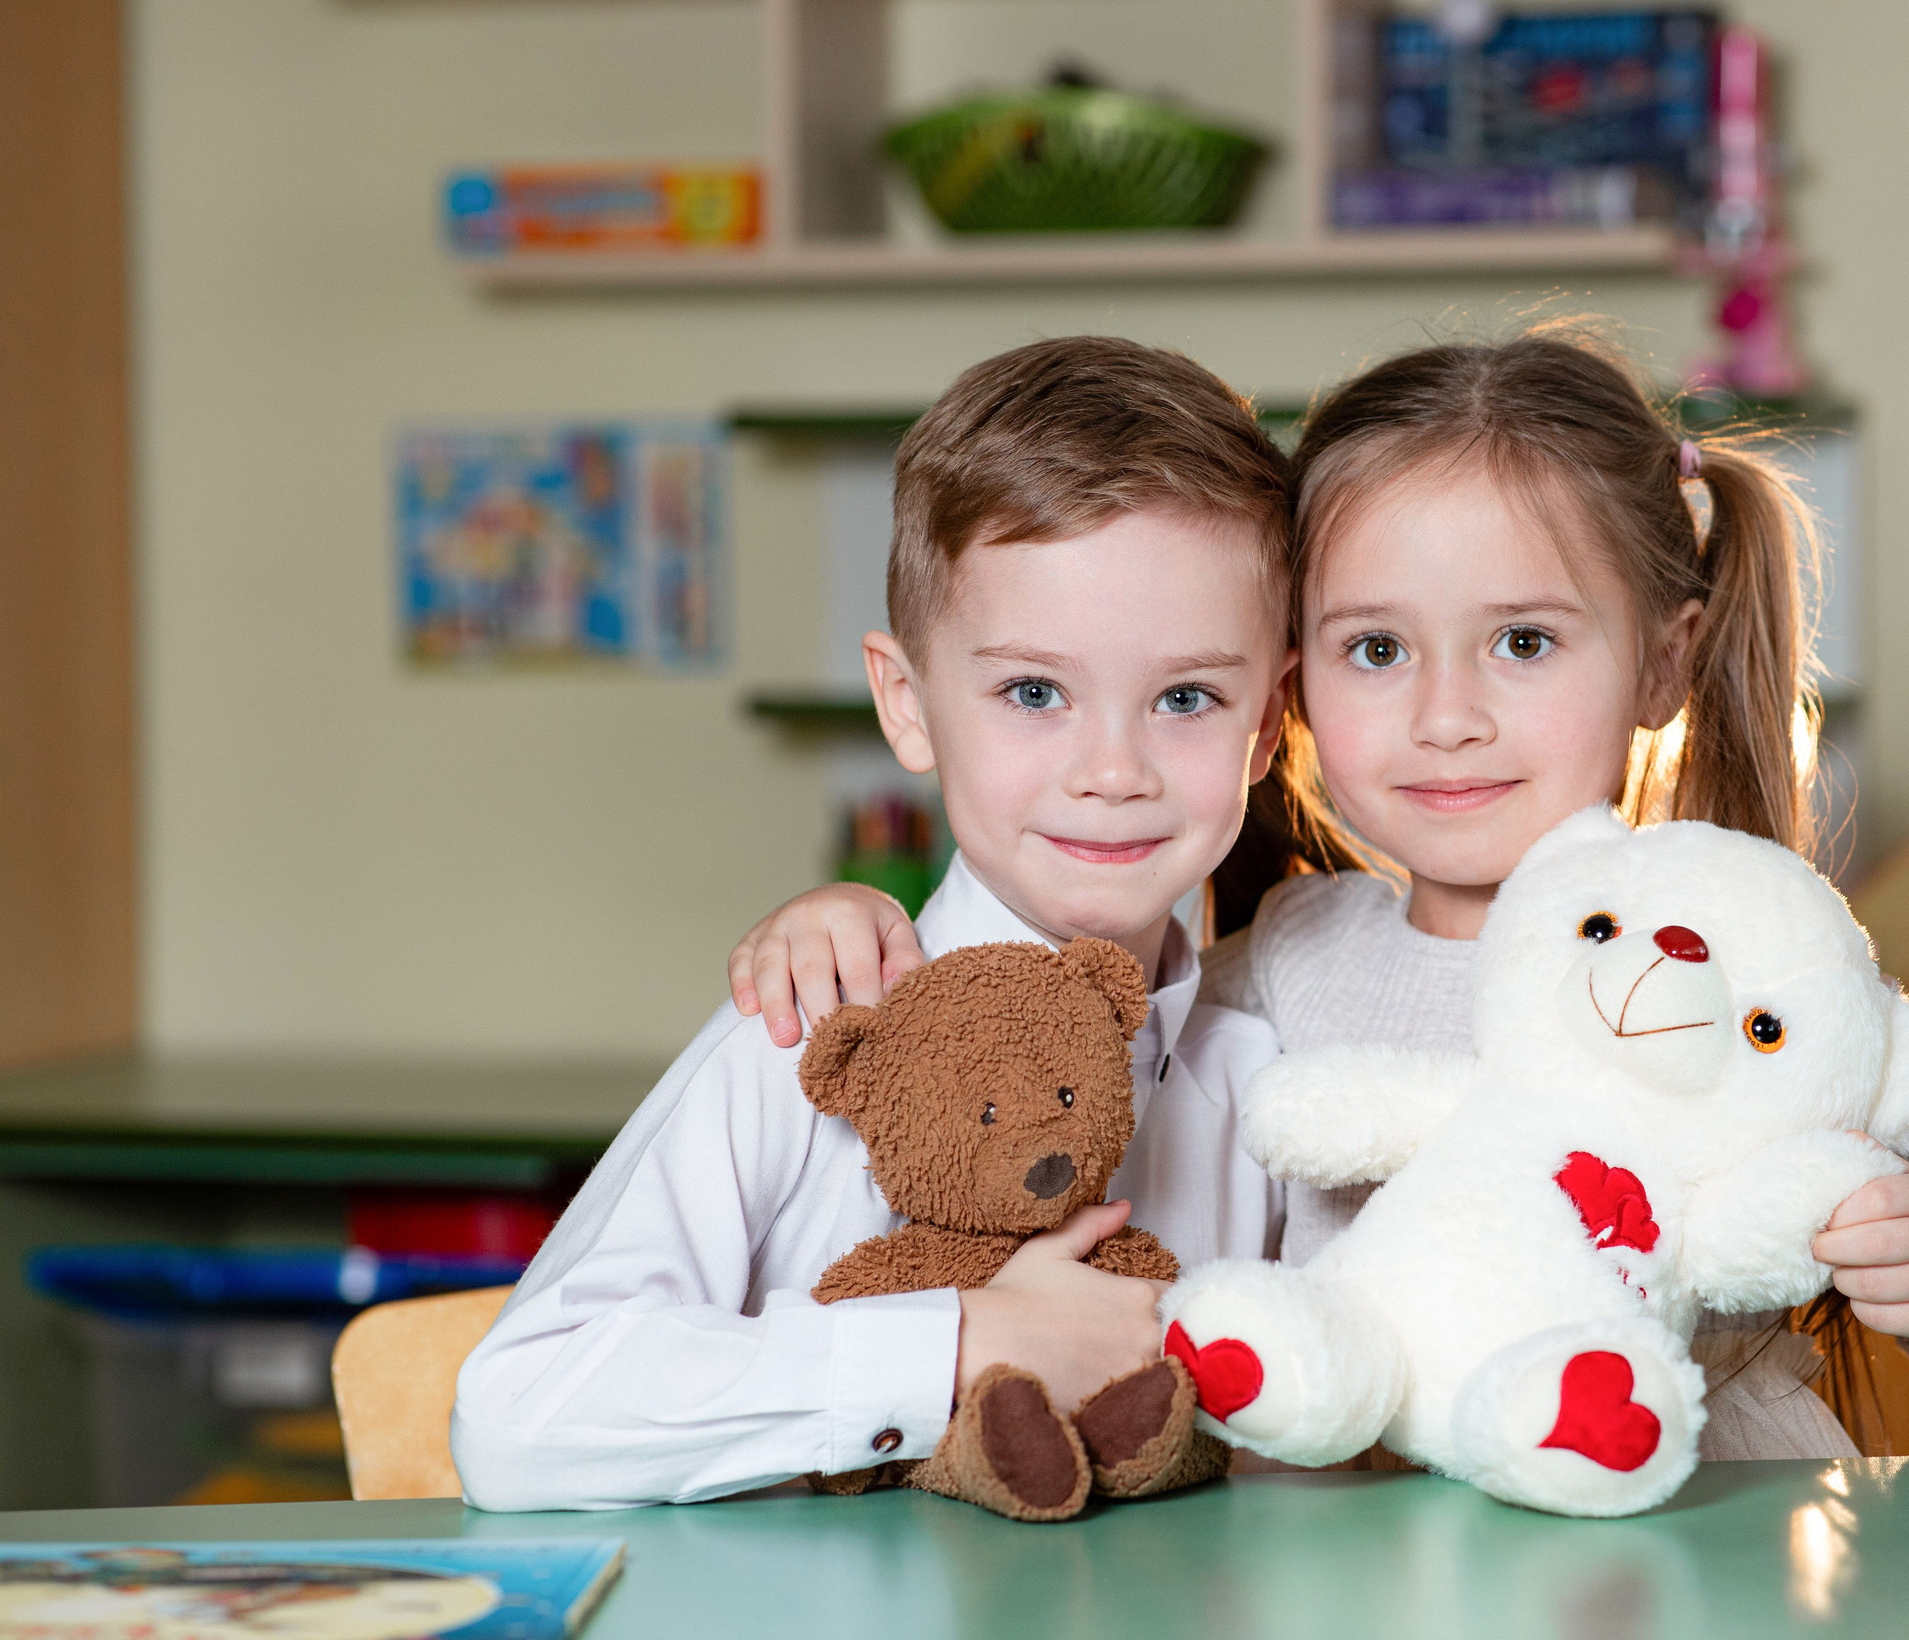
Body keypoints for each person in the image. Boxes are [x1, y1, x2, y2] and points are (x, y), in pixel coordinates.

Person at [732, 327, 1909, 1461]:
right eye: (1376, 646)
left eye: (1523, 641)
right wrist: (850, 918)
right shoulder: (1281, 960)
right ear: (1291, 685)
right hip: (1350, 1548)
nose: (1447, 716)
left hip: (1698, 1528)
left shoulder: (1737, 959)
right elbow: (1060, 1044)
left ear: (1664, 663)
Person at [451, 336, 1295, 1510]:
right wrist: (955, 1344)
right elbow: (517, 1417)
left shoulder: (1267, 1078)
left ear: (1265, 730)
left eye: (1187, 698)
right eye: (1033, 693)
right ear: (908, 706)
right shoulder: (818, 1017)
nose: (1113, 770)